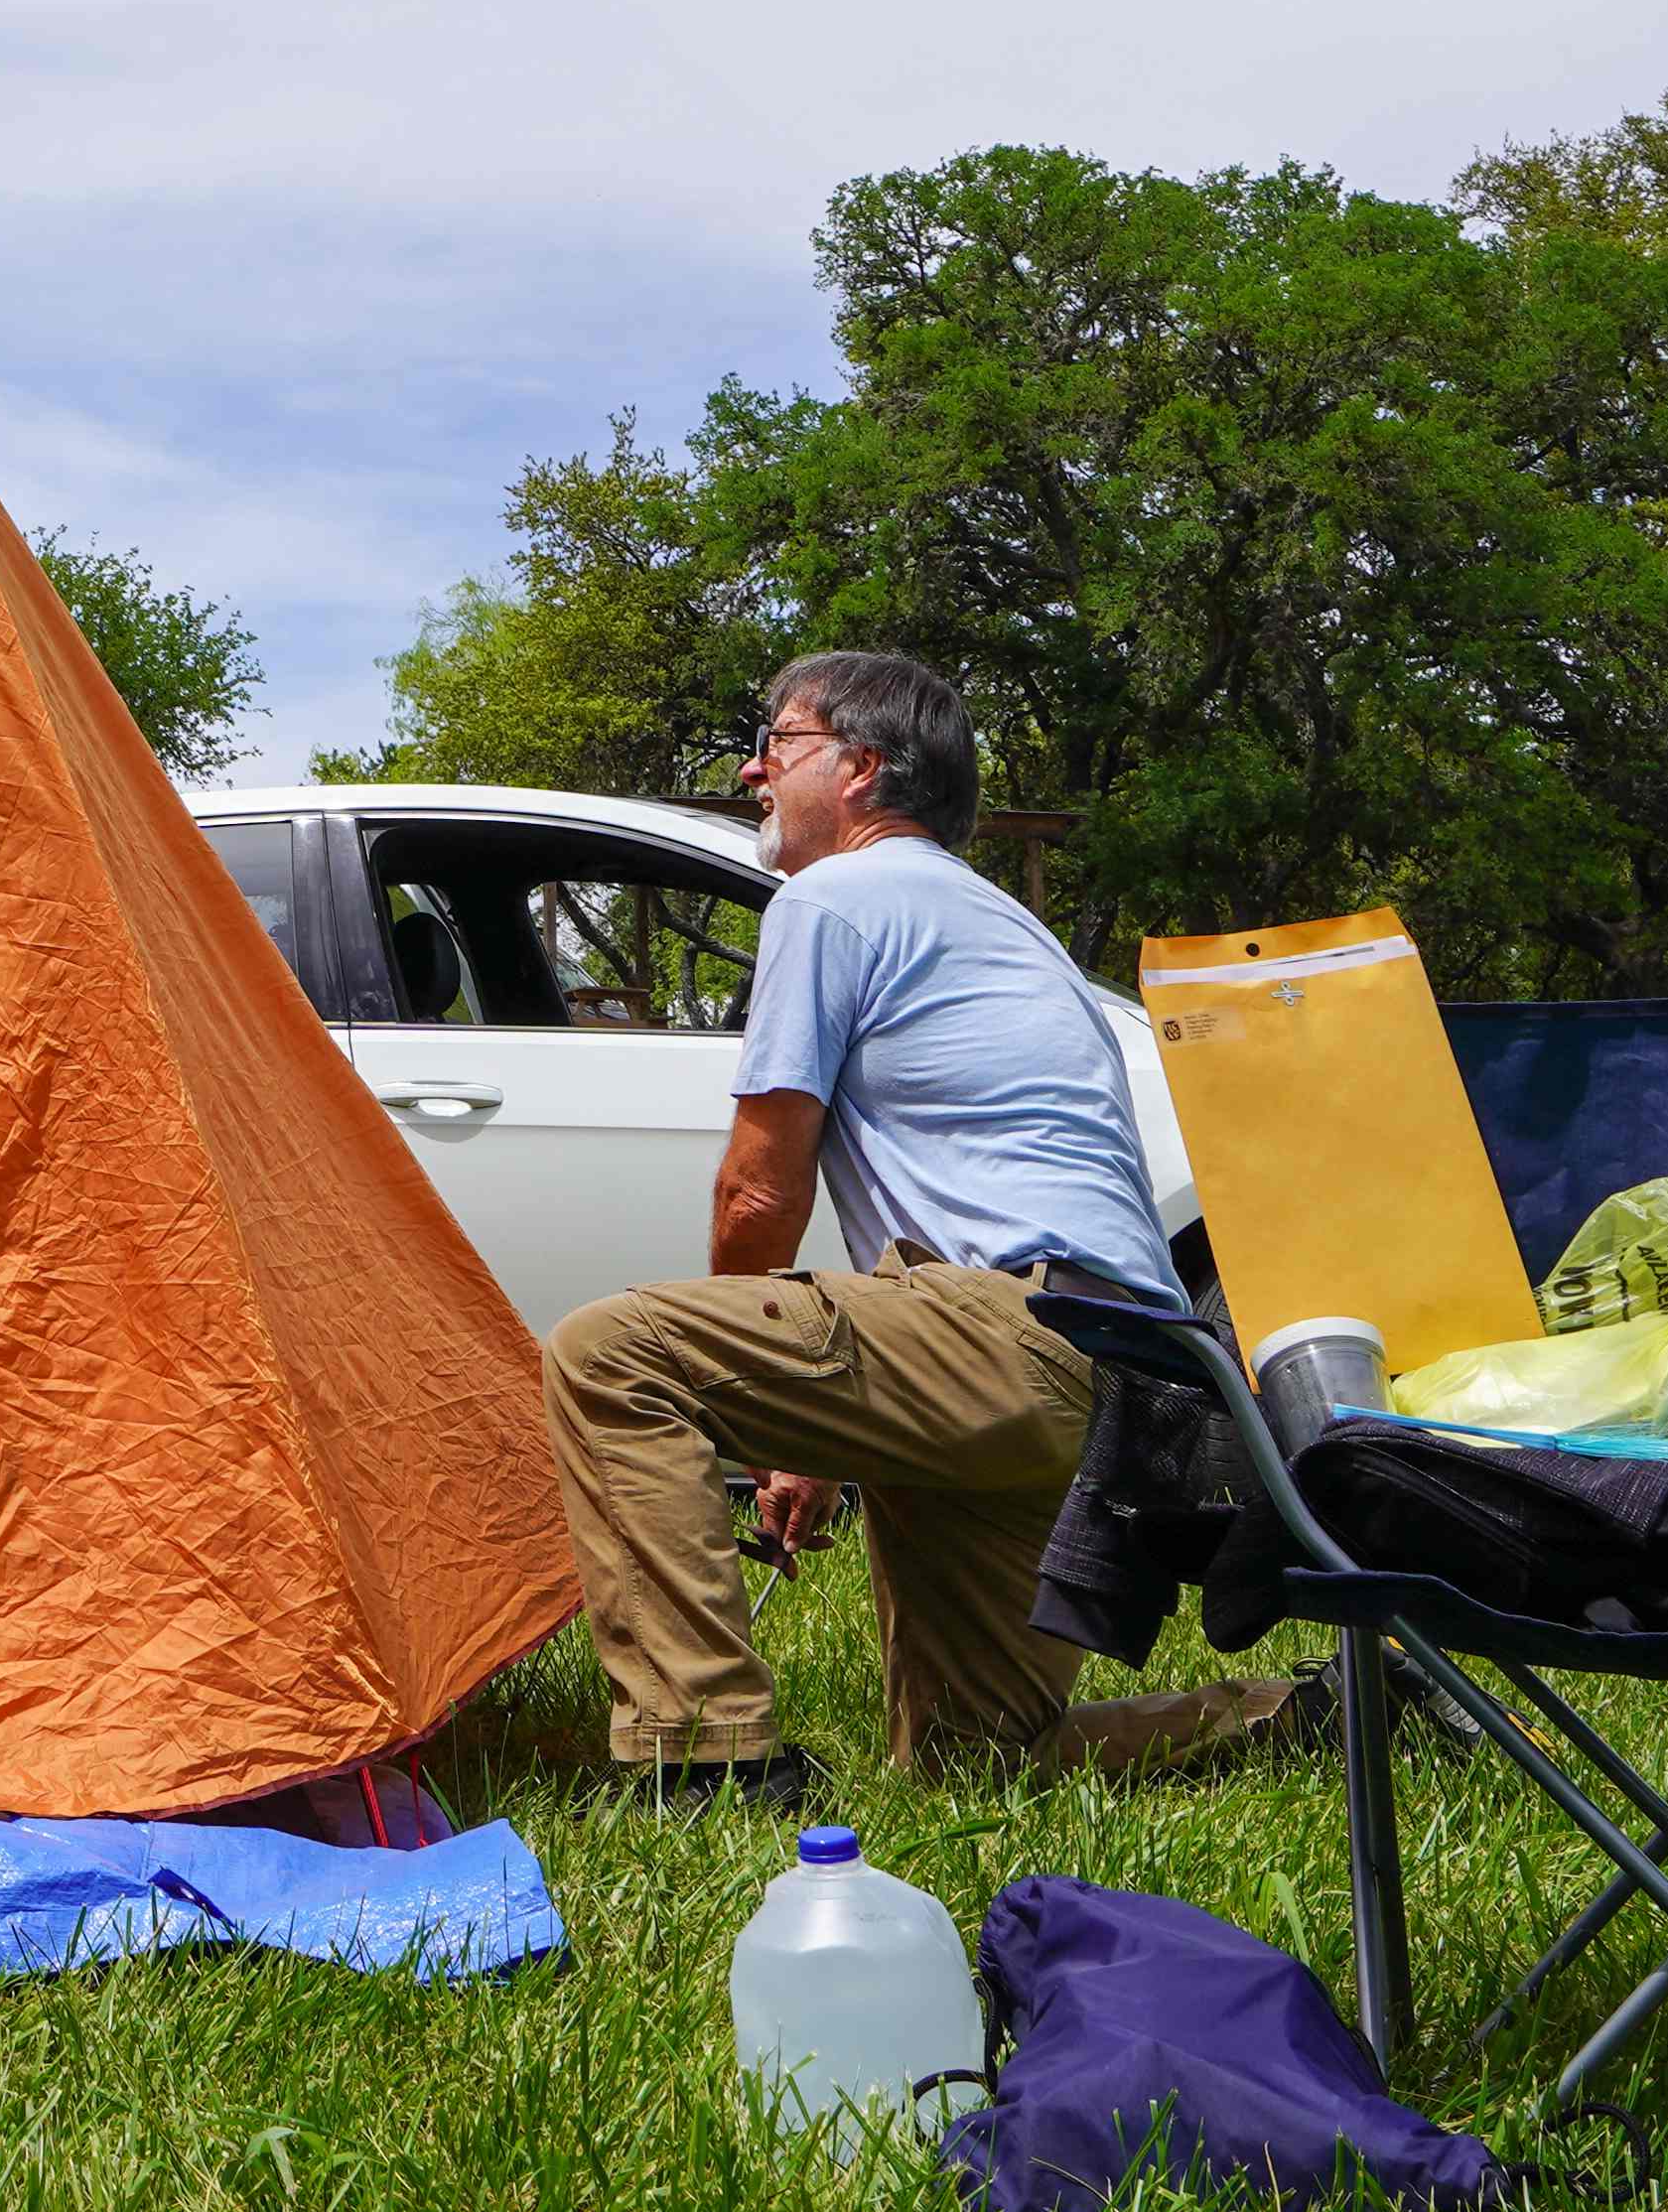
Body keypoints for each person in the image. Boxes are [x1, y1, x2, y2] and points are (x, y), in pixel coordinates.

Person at [538, 646, 1294, 1810]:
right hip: (1125, 1377)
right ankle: (1298, 1713)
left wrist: (769, 1396)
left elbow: (757, 1189)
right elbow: (951, 1202)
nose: (752, 769)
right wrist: (819, 1435)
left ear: (863, 769)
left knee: (612, 1353)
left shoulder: (835, 898)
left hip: (1011, 1327)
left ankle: (703, 1758)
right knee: (978, 1757)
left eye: (778, 743)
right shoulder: (1004, 925)